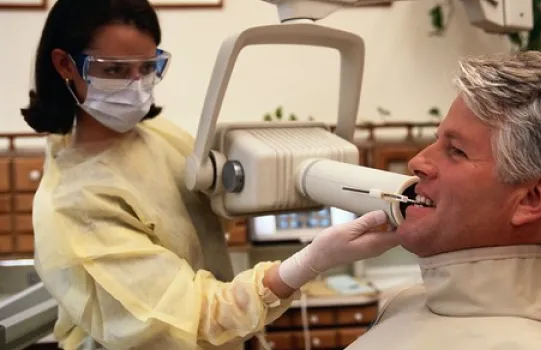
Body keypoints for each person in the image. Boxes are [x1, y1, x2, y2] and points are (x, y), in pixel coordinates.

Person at [23, 0, 403, 349]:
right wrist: (307, 264)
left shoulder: (154, 136)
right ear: (65, 64)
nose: (136, 87)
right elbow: (192, 316)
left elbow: (210, 203)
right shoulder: (75, 205)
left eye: (148, 67)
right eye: (116, 70)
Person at [346, 51, 541, 350]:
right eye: (437, 140)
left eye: (456, 150)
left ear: (532, 198)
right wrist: (285, 280)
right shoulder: (402, 305)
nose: (417, 162)